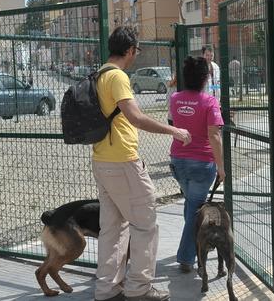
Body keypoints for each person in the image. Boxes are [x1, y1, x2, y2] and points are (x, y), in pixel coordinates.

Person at [92, 26, 191, 301]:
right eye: (136, 50)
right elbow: (135, 117)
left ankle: (107, 290)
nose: (136, 55)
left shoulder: (99, 74)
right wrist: (175, 131)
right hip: (124, 161)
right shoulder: (117, 77)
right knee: (145, 225)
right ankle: (139, 290)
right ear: (129, 50)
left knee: (112, 228)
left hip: (101, 159)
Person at [169, 56, 226, 274]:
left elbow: (175, 123)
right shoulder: (210, 102)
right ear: (205, 78)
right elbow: (215, 136)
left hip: (178, 162)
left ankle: (191, 242)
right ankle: (186, 257)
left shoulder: (175, 98)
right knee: (195, 210)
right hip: (202, 165)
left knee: (190, 203)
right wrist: (221, 167)